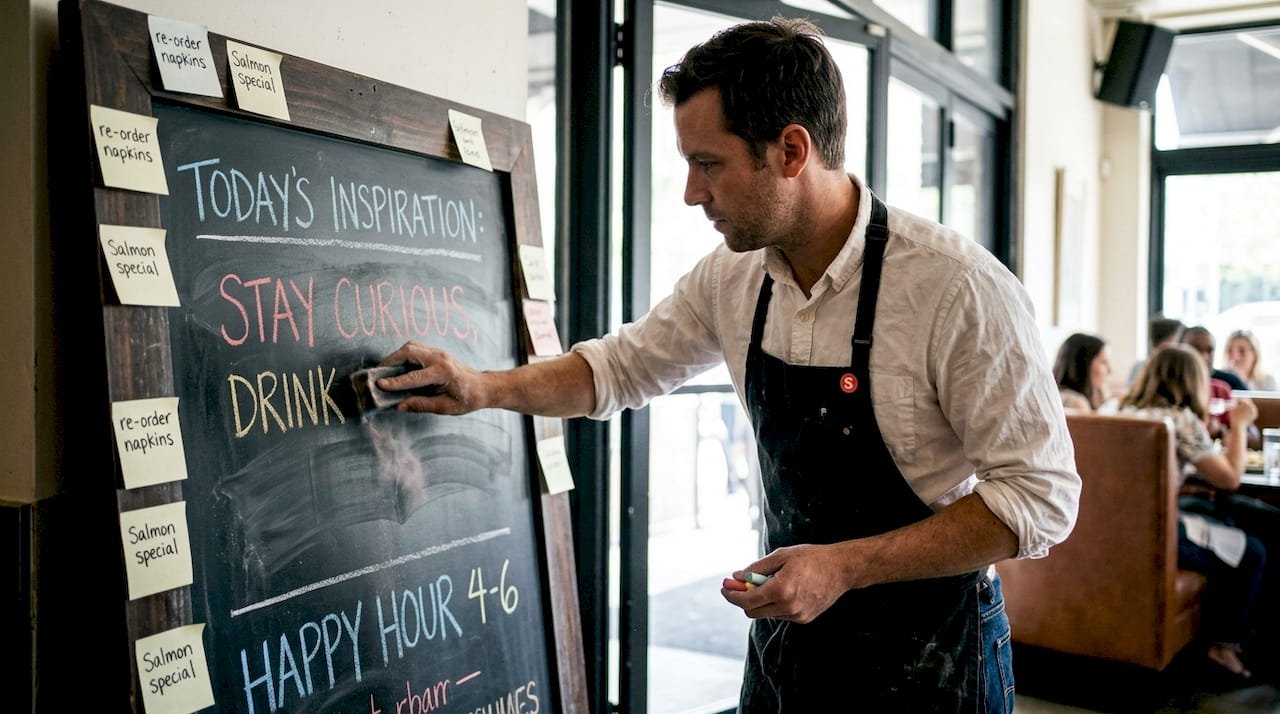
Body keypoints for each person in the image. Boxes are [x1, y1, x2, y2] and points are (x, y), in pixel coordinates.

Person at [375, 17, 1080, 711]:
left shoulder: (956, 288)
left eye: (707, 164)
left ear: (791, 151)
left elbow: (1039, 497)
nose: (691, 192)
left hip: (932, 657)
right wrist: (481, 387)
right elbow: (617, 369)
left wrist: (844, 565)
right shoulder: (732, 278)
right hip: (788, 647)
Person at [1118, 345, 1264, 679]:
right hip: (1157, 536)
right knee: (1253, 551)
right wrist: (1239, 424)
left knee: (1221, 519)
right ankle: (1224, 646)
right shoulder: (1180, 420)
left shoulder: (1118, 408)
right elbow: (1229, 478)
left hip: (1117, 532)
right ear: (1193, 382)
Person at [1053, 332, 1113, 411]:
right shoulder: (1077, 403)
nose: (1110, 370)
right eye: (1104, 362)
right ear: (1083, 365)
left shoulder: (1057, 395)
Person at [1126, 315, 1185, 385]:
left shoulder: (1138, 366)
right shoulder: (1176, 369)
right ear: (1169, 338)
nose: (1179, 345)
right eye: (1177, 338)